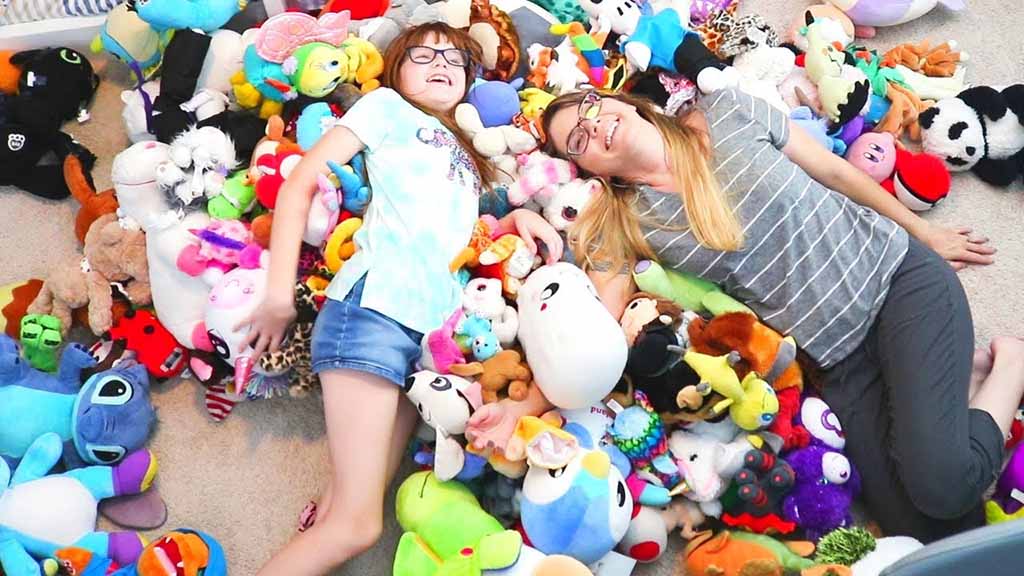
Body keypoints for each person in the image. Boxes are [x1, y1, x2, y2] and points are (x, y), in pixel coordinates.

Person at [541, 87, 1024, 542]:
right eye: (578, 138)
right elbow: (594, 335)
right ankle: (962, 383)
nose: (596, 122)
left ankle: (1010, 366)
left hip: (894, 283)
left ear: (614, 98)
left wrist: (924, 232)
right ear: (587, 169)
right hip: (839, 364)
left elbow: (833, 171)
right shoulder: (626, 221)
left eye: (590, 105)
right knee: (939, 528)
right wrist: (532, 406)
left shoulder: (724, 110)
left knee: (942, 483)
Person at [242, 23, 561, 576]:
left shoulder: (466, 153)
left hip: (426, 344)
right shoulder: (385, 106)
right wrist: (277, 296)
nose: (442, 62)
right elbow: (299, 183)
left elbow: (462, 234)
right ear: (393, 68)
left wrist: (515, 215)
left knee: (345, 510)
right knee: (360, 527)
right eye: (423, 52)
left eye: (455, 57)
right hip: (373, 312)